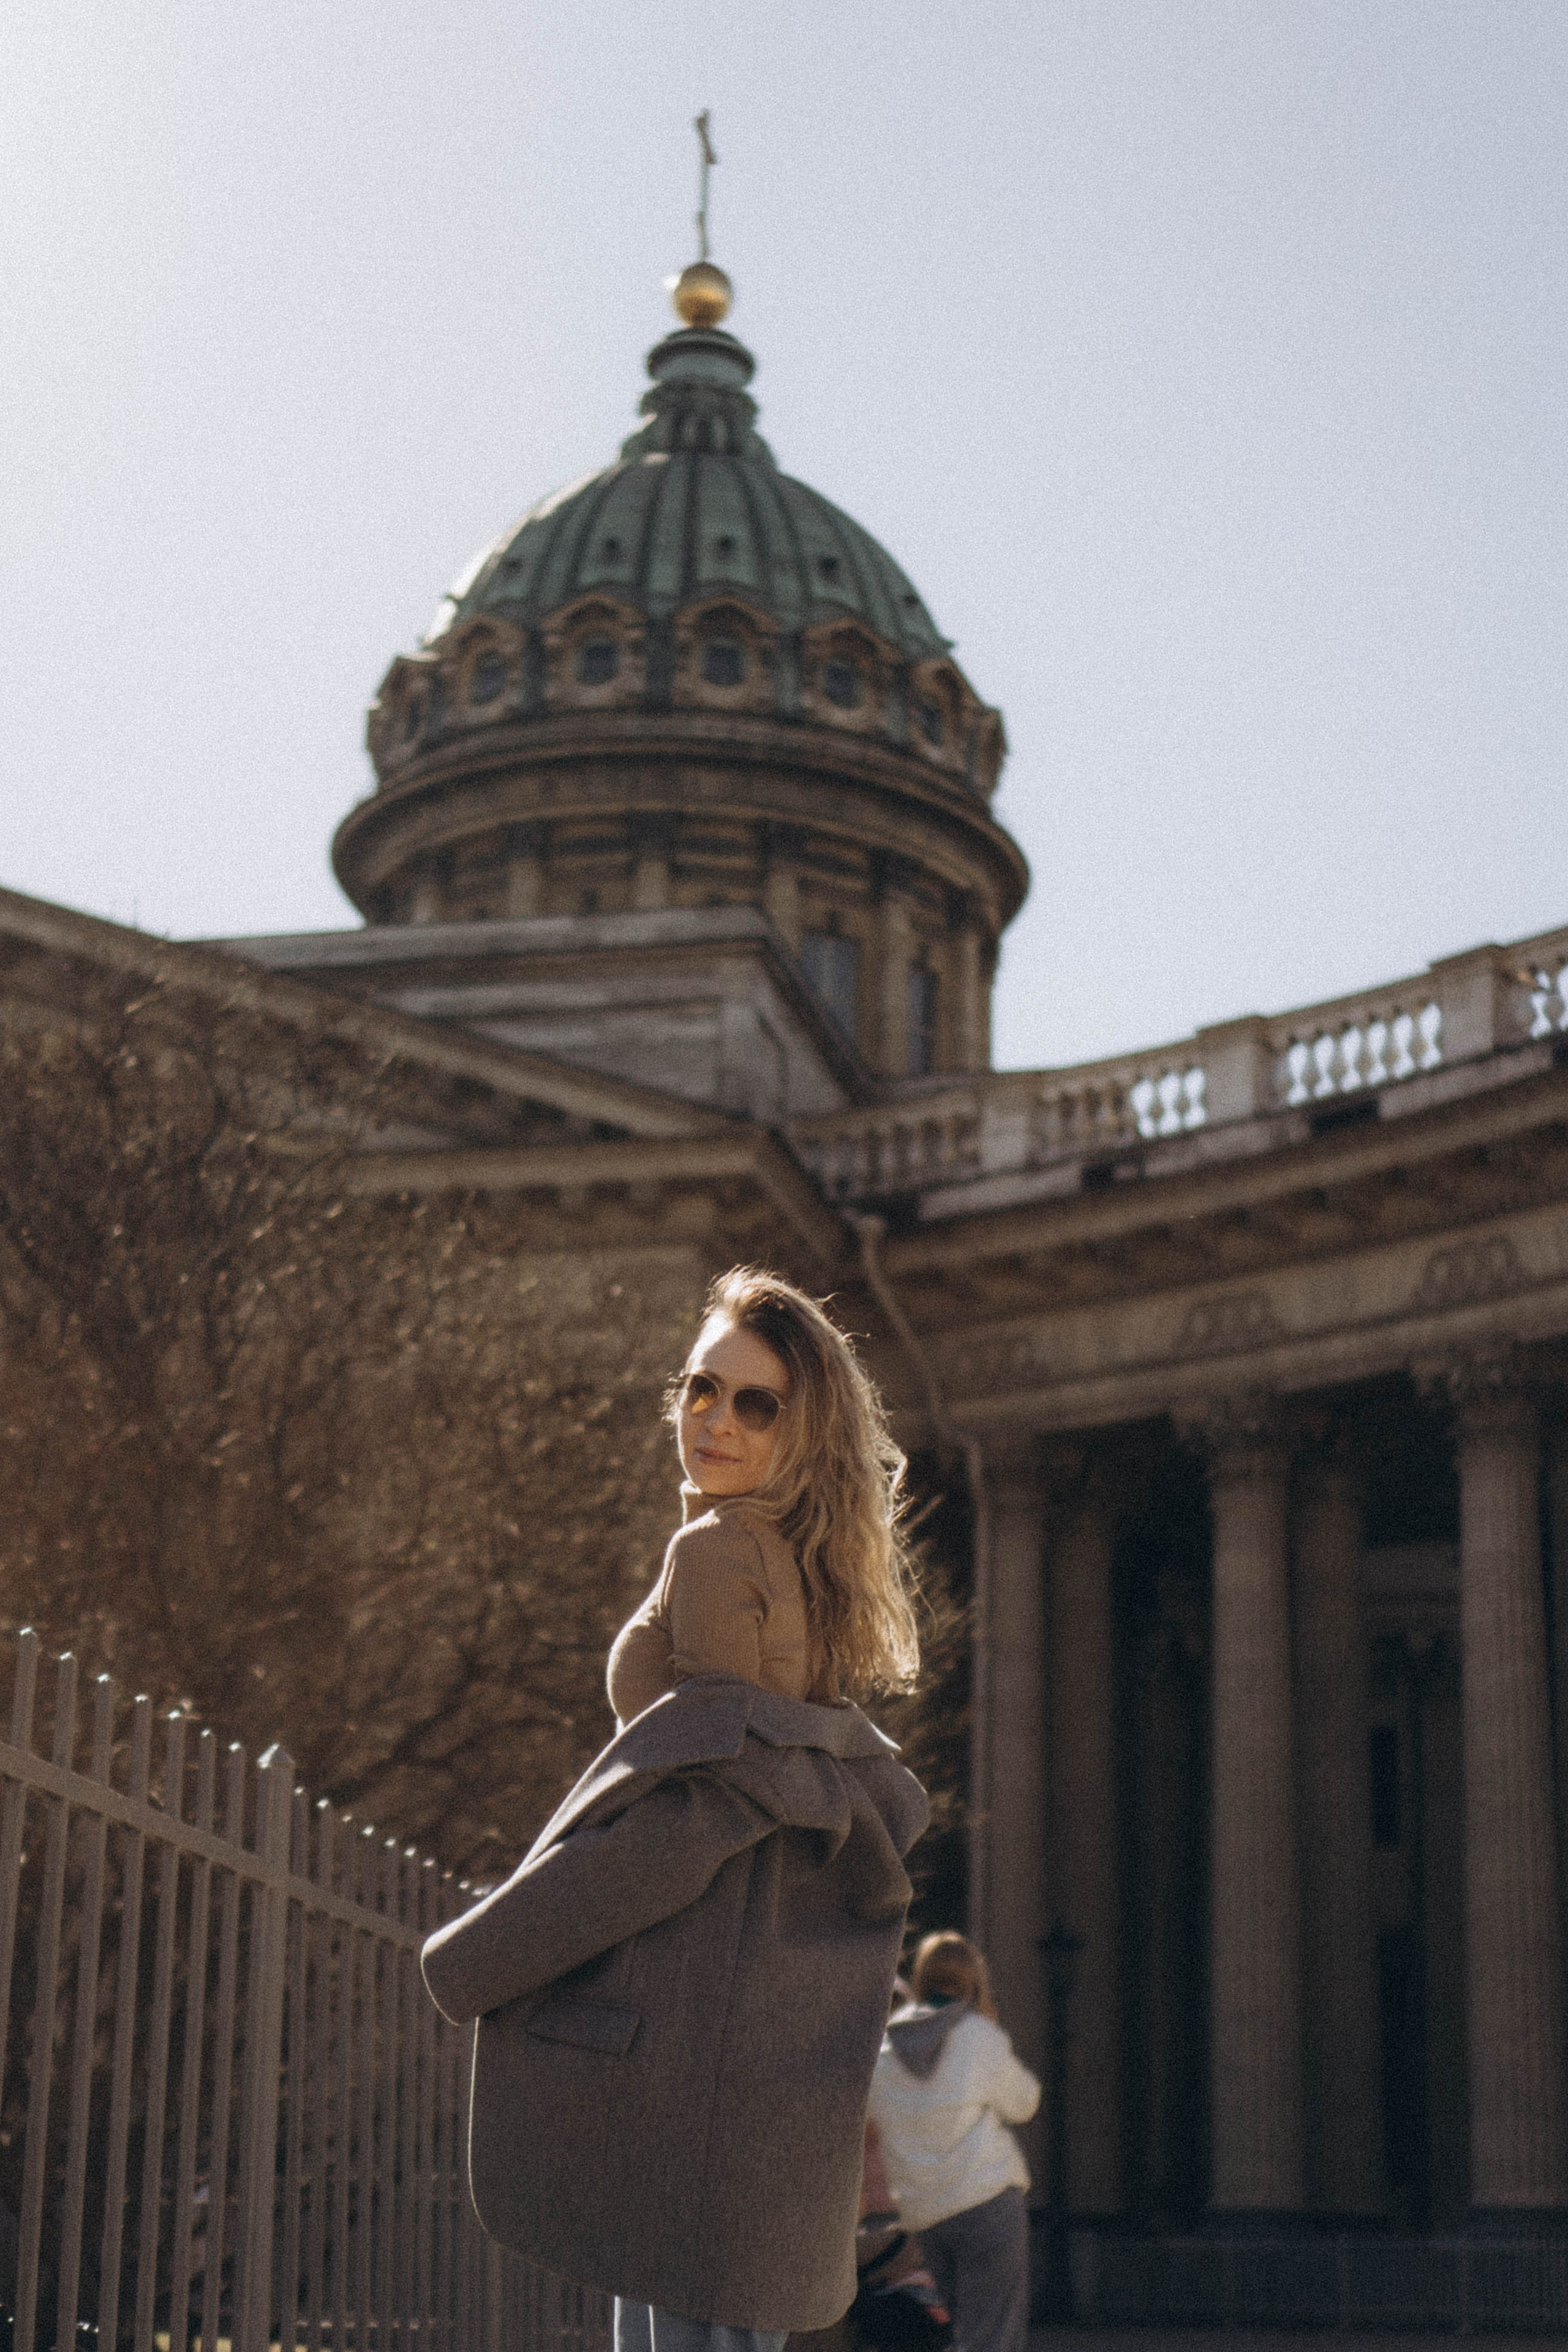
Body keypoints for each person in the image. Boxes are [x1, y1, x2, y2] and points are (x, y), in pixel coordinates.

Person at [421, 1267, 929, 2352]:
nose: (716, 1420)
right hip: (753, 2022)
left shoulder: (712, 1553)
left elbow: (703, 1812)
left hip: (685, 2024)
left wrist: (494, 1947)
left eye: (757, 1403)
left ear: (804, 1431)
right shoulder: (803, 1568)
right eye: (702, 1389)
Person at [866, 1934, 1041, 2352]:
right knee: (993, 2339)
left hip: (926, 2213)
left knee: (962, 2335)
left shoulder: (885, 2046)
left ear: (922, 1979)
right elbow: (1025, 2103)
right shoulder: (977, 2034)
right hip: (987, 2204)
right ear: (973, 1982)